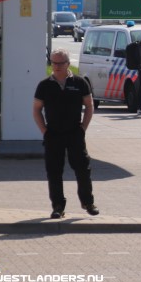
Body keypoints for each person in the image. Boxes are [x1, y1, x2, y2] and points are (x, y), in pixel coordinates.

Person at [33, 49, 98, 219]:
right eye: (53, 63)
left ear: (68, 63)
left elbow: (89, 106)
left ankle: (88, 202)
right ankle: (58, 206)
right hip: (53, 133)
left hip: (74, 132)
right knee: (54, 171)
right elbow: (36, 109)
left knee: (82, 168)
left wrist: (83, 128)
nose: (56, 66)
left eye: (60, 63)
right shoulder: (44, 85)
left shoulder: (80, 82)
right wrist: (44, 131)